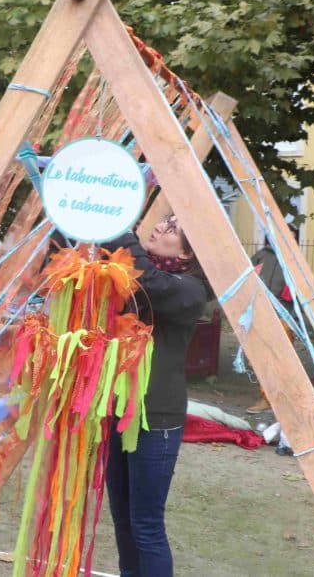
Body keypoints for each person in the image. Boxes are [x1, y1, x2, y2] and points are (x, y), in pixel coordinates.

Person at [103, 215, 212, 577]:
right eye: (163, 222)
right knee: (123, 519)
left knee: (146, 526)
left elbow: (150, 282)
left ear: (187, 252)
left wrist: (117, 225)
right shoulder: (135, 278)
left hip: (156, 420)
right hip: (120, 412)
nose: (159, 229)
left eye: (171, 229)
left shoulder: (190, 289)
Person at [246, 240, 294, 414]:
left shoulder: (292, 257)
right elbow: (245, 276)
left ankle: (283, 399)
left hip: (284, 318)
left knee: (280, 359)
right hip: (260, 315)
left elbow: (301, 287)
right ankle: (266, 398)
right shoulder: (261, 256)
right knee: (260, 359)